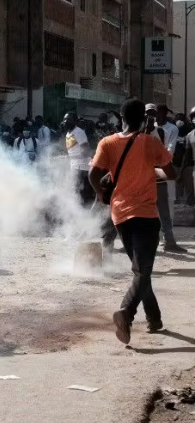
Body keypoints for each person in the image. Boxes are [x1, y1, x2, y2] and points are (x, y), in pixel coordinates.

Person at [89, 99, 178, 344]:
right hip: (146, 216)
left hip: (120, 216)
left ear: (121, 117)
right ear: (144, 119)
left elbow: (93, 174)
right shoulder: (150, 142)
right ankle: (126, 312)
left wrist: (101, 194)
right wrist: (155, 171)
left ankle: (154, 319)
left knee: (141, 270)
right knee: (143, 271)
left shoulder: (107, 142)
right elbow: (173, 173)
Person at [146, 104, 186, 253]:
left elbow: (169, 151)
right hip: (144, 171)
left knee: (166, 207)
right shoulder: (142, 127)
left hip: (162, 169)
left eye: (154, 113)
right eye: (148, 114)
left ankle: (168, 240)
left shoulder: (169, 129)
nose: (152, 116)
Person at [63, 112, 93, 205]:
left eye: (68, 119)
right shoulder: (68, 133)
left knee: (81, 194)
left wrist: (69, 157)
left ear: (75, 121)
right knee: (75, 192)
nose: (65, 121)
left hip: (83, 168)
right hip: (75, 167)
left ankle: (85, 214)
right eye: (64, 119)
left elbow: (87, 152)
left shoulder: (78, 132)